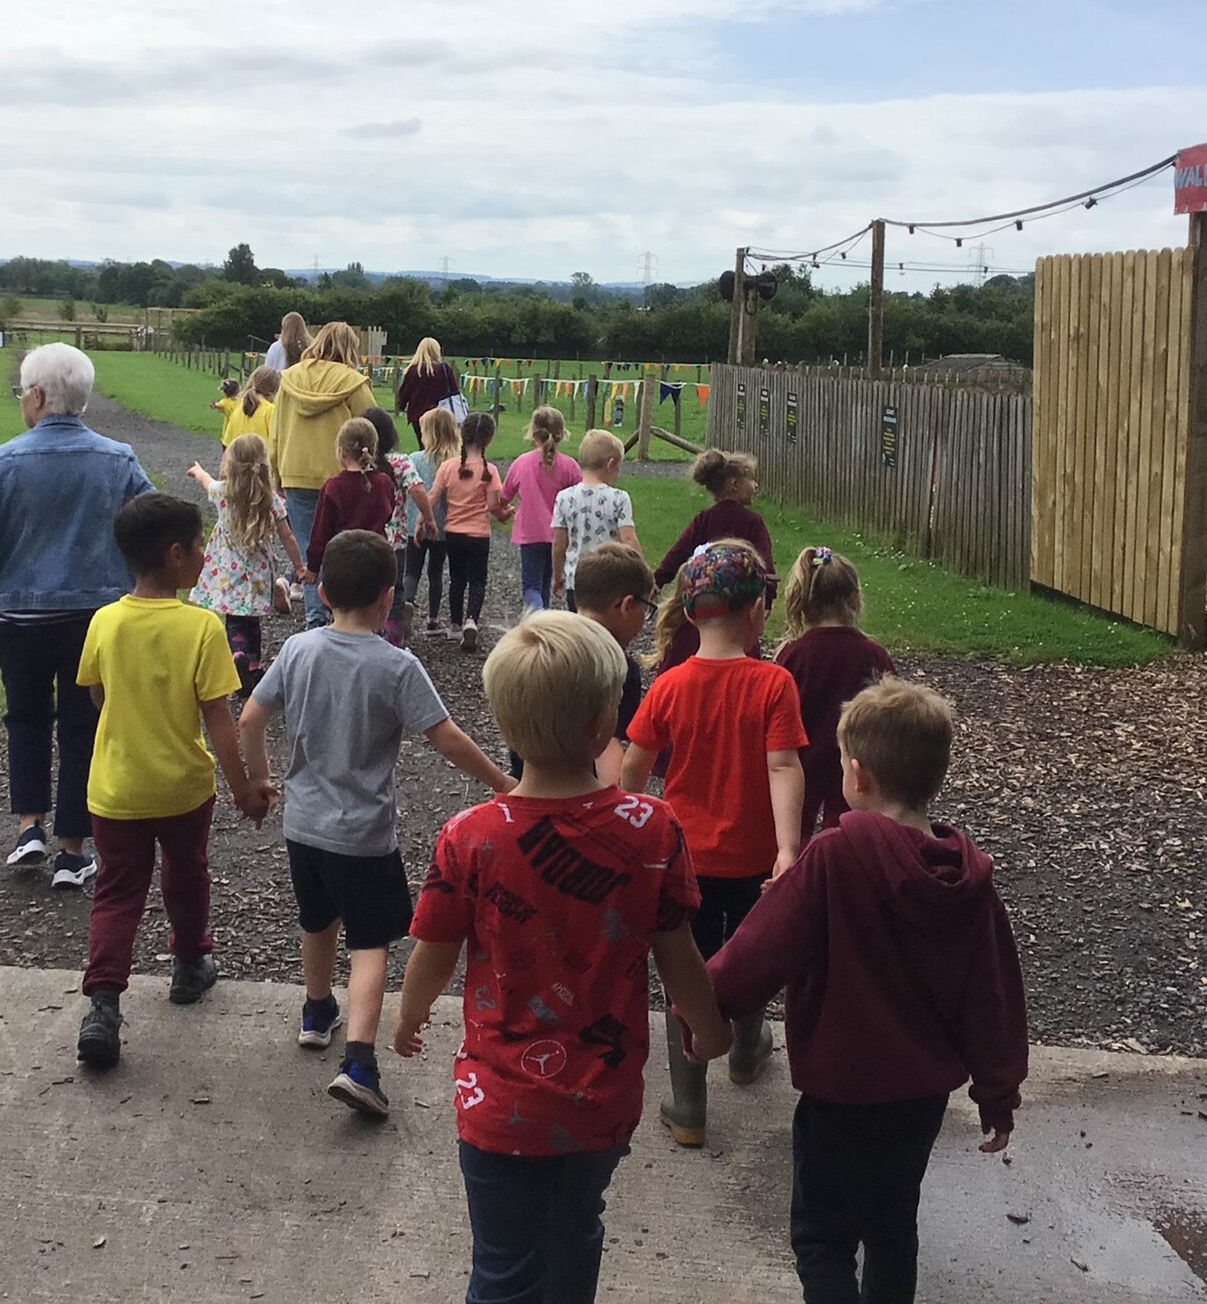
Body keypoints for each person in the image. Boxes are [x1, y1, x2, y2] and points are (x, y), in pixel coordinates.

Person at [393, 611, 731, 1304]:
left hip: (495, 1103)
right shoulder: (650, 828)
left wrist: (409, 1013)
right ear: (601, 724)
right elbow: (677, 950)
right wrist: (710, 1025)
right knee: (578, 1227)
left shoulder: (471, 836)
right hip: (599, 1102)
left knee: (504, 1264)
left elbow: (434, 947)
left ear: (504, 725)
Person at [705, 678, 1028, 1304]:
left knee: (823, 1240)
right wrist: (997, 1093)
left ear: (856, 774)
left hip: (840, 1094)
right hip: (920, 1101)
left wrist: (709, 1007)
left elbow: (762, 948)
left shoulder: (836, 853)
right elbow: (992, 992)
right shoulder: (964, 876)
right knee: (892, 1227)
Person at [238, 531, 513, 1120]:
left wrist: (261, 781)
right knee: (370, 943)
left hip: (303, 826)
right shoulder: (396, 666)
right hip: (362, 834)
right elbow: (447, 738)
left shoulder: (299, 650)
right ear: (389, 597)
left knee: (317, 919)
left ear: (326, 589)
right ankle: (359, 1061)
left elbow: (251, 716)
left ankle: (316, 1012)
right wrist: (503, 784)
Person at [0, 342, 154, 886]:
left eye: (21, 392)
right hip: (95, 617)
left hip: (20, 616)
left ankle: (28, 826)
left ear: (37, 397)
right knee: (85, 728)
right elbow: (154, 525)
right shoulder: (119, 459)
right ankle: (71, 849)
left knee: (26, 719)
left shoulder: (4, 460)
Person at [622, 539, 805, 1148]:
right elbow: (783, 767)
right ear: (757, 612)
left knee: (687, 973)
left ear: (692, 612)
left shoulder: (670, 685)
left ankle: (689, 1105)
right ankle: (748, 1049)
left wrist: (621, 824)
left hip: (684, 863)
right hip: (756, 863)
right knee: (750, 958)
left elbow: (633, 768)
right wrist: (787, 849)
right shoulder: (774, 684)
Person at [71, 493, 260, 1068]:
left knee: (117, 892)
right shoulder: (201, 627)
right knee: (187, 874)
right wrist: (243, 788)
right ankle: (188, 963)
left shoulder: (105, 621)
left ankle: (103, 1004)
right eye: (200, 545)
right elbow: (219, 720)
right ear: (176, 555)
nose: (206, 554)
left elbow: (99, 695)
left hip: (115, 789)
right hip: (181, 788)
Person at [504, 539, 653, 784]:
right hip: (581, 798)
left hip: (527, 787)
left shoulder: (538, 645)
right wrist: (617, 806)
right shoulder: (618, 668)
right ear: (626, 605)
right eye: (646, 607)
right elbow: (608, 750)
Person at [775, 546, 897, 841]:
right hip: (859, 763)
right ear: (854, 599)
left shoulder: (793, 655)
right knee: (849, 836)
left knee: (792, 832)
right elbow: (894, 714)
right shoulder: (874, 656)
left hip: (800, 762)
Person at [270, 321, 378, 627]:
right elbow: (370, 430)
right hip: (342, 476)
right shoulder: (354, 383)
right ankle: (344, 617)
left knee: (309, 553)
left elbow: (275, 431)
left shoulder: (289, 379)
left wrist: (276, 473)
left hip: (296, 473)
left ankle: (315, 620)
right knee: (345, 550)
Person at [186, 433, 305, 692]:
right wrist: (299, 566)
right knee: (252, 620)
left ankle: (237, 655)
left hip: (229, 570)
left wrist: (198, 471)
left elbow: (207, 482)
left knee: (235, 619)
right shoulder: (270, 499)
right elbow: (287, 535)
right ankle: (253, 666)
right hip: (258, 572)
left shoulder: (223, 493)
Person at [652, 449, 773, 671]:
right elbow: (765, 567)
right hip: (738, 609)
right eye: (751, 479)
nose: (755, 485)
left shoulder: (703, 519)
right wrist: (767, 601)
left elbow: (677, 553)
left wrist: (658, 580)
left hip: (703, 608)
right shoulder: (752, 523)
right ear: (735, 484)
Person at [428, 410, 507, 652]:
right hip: (479, 534)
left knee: (457, 579)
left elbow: (433, 495)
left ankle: (454, 624)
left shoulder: (448, 467)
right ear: (489, 439)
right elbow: (494, 505)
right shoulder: (489, 470)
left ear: (462, 434)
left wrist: (423, 518)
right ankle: (471, 620)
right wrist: (505, 515)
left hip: (454, 532)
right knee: (478, 580)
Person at [363, 407, 439, 648]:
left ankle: (364, 634)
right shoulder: (400, 462)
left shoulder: (360, 463)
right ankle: (393, 640)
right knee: (393, 590)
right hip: (394, 540)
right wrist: (428, 518)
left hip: (363, 537)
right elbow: (417, 488)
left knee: (364, 587)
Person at [498, 405, 580, 615]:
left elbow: (504, 496)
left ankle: (537, 616)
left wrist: (505, 508)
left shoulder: (522, 463)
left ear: (534, 434)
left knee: (531, 586)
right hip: (560, 535)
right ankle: (543, 619)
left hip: (530, 532)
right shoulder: (570, 466)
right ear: (561, 434)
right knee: (546, 581)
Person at [550, 428, 641, 610]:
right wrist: (642, 573)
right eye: (618, 467)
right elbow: (628, 539)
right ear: (610, 464)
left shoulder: (564, 497)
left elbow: (559, 544)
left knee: (580, 631)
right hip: (610, 581)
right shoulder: (619, 498)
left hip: (576, 581)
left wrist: (558, 575)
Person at [305, 417, 399, 577]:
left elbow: (321, 531)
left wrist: (313, 566)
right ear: (373, 449)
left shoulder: (334, 486)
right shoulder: (384, 482)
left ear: (341, 451)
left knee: (344, 600)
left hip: (343, 559)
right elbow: (388, 512)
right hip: (377, 557)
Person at [409, 408, 460, 634]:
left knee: (411, 570)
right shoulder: (456, 464)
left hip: (415, 524)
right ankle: (432, 618)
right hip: (443, 526)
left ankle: (407, 603)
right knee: (436, 571)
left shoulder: (415, 459)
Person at [394, 335, 462, 439]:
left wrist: (401, 406)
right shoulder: (444, 369)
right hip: (440, 415)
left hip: (418, 416)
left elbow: (404, 393)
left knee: (424, 448)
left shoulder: (413, 370)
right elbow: (454, 391)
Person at [233, 365, 280, 446]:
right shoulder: (271, 411)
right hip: (262, 457)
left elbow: (227, 443)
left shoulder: (238, 409)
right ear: (275, 389)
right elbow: (276, 443)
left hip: (239, 457)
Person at [211, 378, 244, 444]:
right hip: (240, 431)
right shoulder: (242, 400)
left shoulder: (225, 402)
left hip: (228, 434)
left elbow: (218, 405)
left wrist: (214, 405)